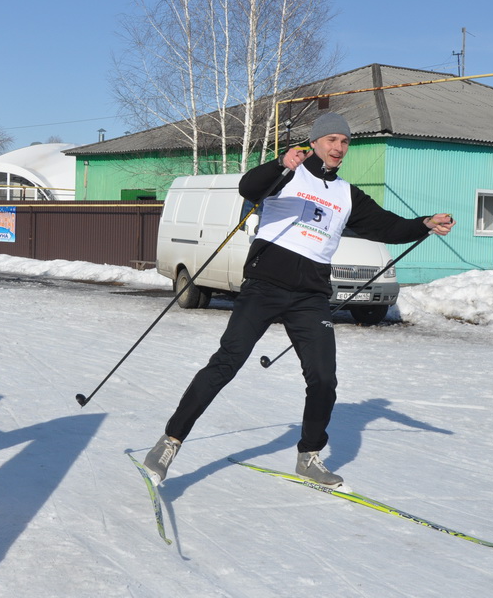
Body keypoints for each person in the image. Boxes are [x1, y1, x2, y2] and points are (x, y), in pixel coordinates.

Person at [142, 113, 455, 487]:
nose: (339, 147)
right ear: (316, 141)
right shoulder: (290, 173)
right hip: (264, 286)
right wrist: (280, 163)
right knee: (226, 363)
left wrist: (423, 223)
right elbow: (248, 187)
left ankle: (309, 456)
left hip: (311, 296)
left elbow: (387, 226)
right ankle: (170, 441)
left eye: (345, 141)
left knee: (324, 378)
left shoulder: (346, 194)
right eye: (332, 140)